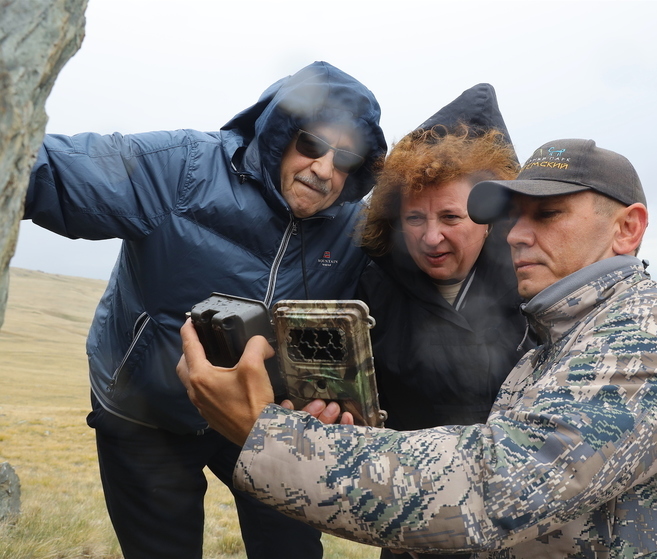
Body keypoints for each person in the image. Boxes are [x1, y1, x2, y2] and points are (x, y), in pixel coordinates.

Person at [177, 138, 657, 557]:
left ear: (628, 229)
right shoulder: (552, 349)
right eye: (515, 218)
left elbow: (498, 486)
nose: (519, 234)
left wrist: (268, 435)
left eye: (548, 215)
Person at [23, 61, 387, 559]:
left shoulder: (355, 229)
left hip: (262, 417)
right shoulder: (184, 168)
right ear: (279, 133)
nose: (324, 168)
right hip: (147, 413)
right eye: (311, 143)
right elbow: (53, 172)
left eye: (345, 157)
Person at [358, 83, 533, 559]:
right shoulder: (372, 288)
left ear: (489, 216)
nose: (431, 238)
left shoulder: (533, 283)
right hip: (415, 523)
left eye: (451, 217)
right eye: (415, 218)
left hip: (525, 525)